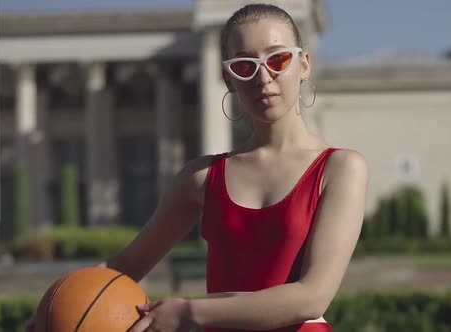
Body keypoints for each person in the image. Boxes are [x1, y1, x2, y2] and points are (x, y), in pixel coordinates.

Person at [28, 3, 368, 332]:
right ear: (227, 78)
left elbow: (311, 298)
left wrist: (191, 311)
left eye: (278, 59)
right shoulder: (201, 177)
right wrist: (53, 308)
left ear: (304, 64)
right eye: (245, 66)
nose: (264, 77)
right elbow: (124, 267)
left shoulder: (340, 169)